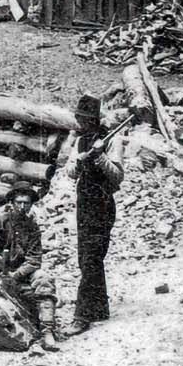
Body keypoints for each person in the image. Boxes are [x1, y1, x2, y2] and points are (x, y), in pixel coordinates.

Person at [64, 94, 124, 336]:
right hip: (83, 203)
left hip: (102, 204)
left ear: (95, 120)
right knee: (85, 256)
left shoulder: (111, 140)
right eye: (80, 118)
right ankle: (99, 307)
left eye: (87, 119)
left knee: (91, 256)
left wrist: (99, 156)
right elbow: (69, 171)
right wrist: (79, 162)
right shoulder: (79, 141)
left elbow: (117, 176)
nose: (82, 123)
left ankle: (82, 315)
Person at [0, 184, 59, 352]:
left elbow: (35, 260)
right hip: (2, 277)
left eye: (27, 203)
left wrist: (17, 275)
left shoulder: (32, 226)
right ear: (11, 203)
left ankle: (47, 331)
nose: (22, 207)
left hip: (23, 274)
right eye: (19, 202)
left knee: (44, 278)